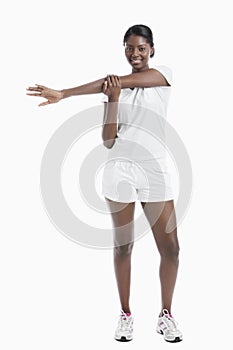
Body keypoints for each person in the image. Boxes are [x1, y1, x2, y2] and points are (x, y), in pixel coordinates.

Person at [26, 24, 183, 343]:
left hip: (154, 170)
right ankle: (125, 315)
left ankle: (165, 314)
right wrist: (110, 98)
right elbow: (108, 141)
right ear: (123, 49)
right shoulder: (115, 88)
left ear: (152, 49)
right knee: (123, 245)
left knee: (172, 249)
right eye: (129, 47)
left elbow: (116, 81)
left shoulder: (162, 75)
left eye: (141, 48)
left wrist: (67, 92)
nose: (135, 53)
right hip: (120, 171)